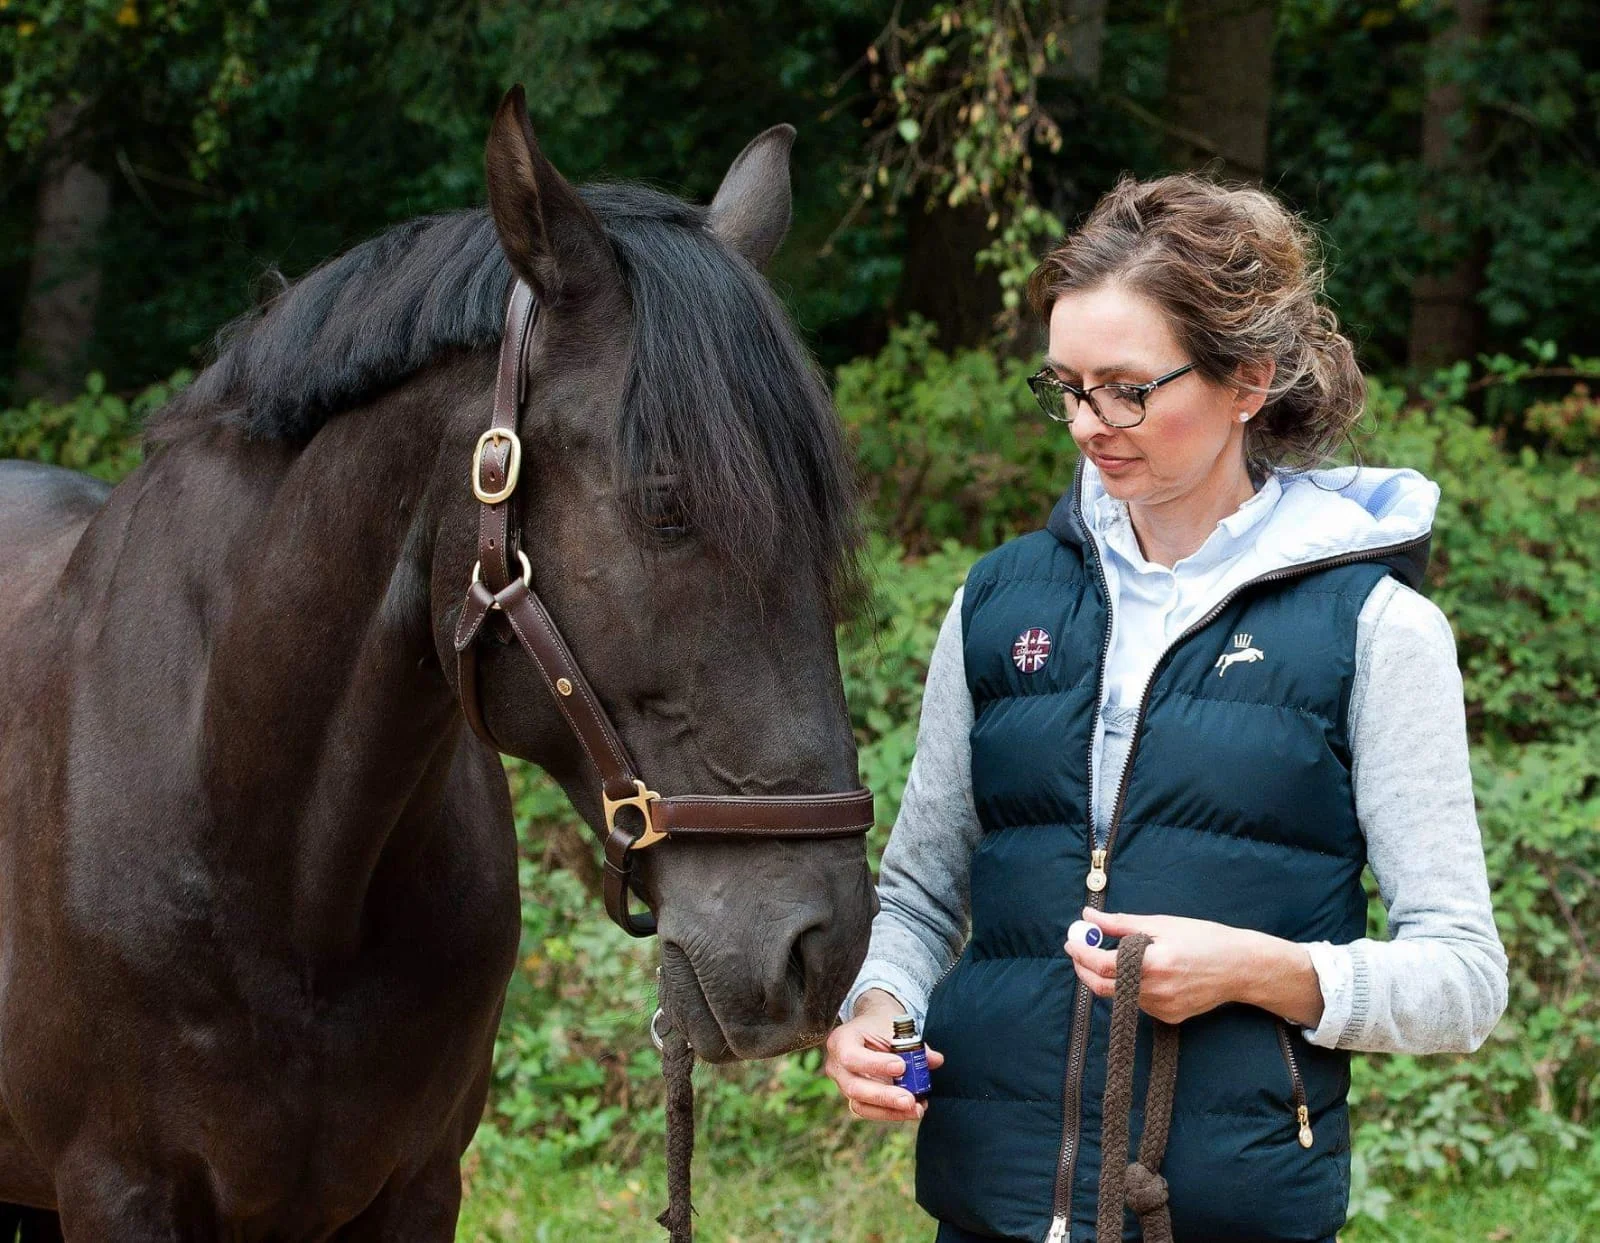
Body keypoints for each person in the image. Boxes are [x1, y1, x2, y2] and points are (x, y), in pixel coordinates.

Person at [824, 173, 1508, 1243]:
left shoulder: (1375, 632)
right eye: (1066, 386)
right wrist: (876, 1012)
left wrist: (1264, 972)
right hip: (986, 1206)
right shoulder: (996, 603)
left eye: (1128, 388)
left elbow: (1463, 982)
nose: (1089, 424)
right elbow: (916, 896)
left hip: (1220, 1214)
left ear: (1249, 377)